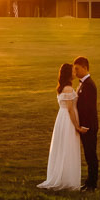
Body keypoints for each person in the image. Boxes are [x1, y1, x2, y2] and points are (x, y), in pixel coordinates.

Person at [38, 62, 84, 191]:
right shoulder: (68, 89)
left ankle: (64, 176)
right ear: (69, 74)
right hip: (68, 120)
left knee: (63, 147)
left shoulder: (62, 87)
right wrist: (77, 126)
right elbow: (70, 109)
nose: (75, 73)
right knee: (68, 147)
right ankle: (67, 179)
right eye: (73, 71)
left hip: (61, 119)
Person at [73, 56, 99, 191]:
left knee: (91, 155)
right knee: (88, 155)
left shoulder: (89, 85)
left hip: (89, 127)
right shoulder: (83, 83)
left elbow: (89, 108)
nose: (75, 71)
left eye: (77, 69)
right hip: (85, 126)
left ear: (85, 68)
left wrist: (86, 126)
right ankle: (89, 182)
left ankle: (92, 184)